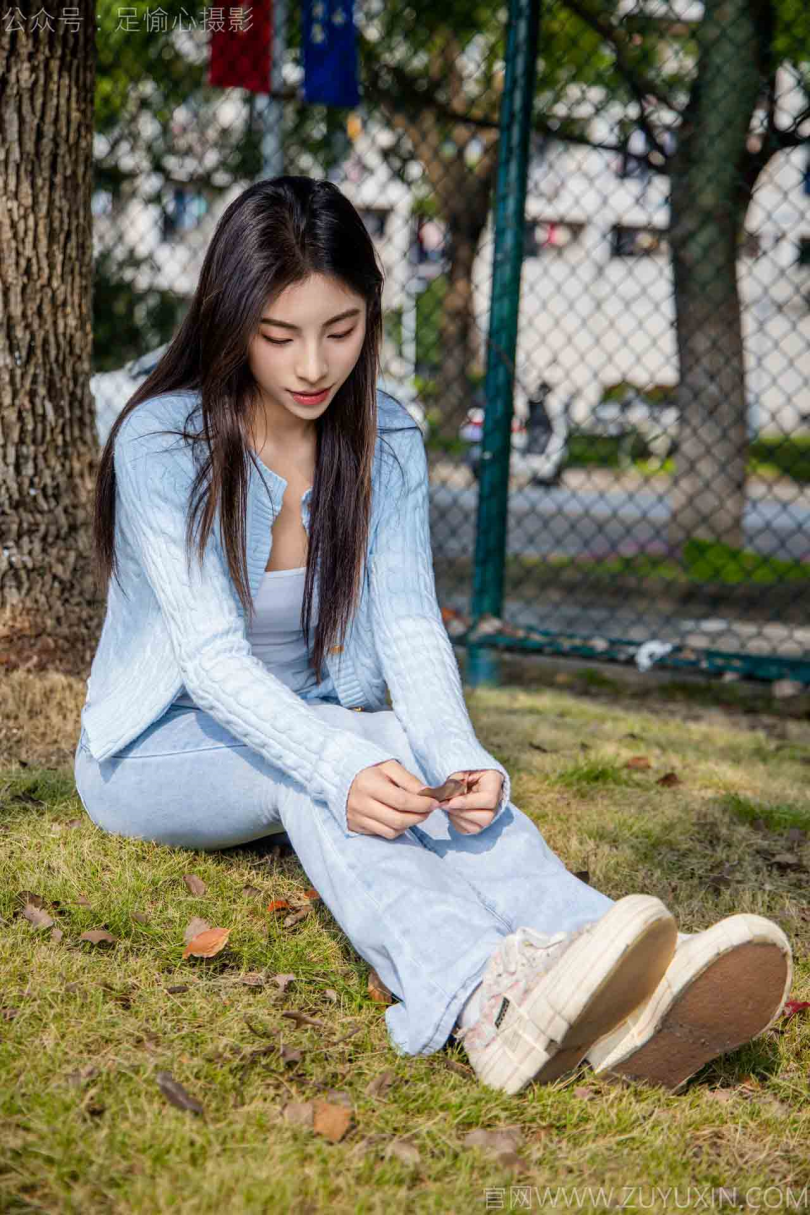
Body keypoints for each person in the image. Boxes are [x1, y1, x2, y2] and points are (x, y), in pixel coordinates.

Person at [74, 176, 792, 1096]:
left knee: (398, 755)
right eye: (279, 335)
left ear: (371, 314)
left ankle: (623, 964)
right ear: (230, 320)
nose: (312, 365)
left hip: (323, 723)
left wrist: (458, 755)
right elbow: (211, 662)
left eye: (340, 330)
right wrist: (338, 761)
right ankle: (483, 997)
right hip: (152, 753)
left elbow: (410, 623)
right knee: (335, 758)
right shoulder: (160, 441)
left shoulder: (387, 436)